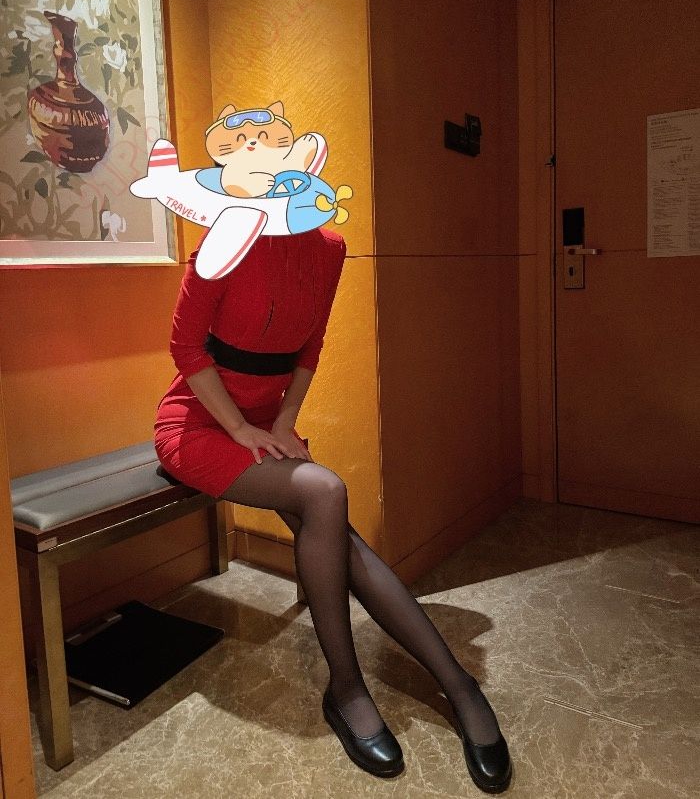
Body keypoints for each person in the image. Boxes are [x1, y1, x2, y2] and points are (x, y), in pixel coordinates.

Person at [154, 226, 512, 792]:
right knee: (324, 492)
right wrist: (240, 429)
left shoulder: (329, 247)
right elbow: (185, 348)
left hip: (264, 427)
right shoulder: (225, 237)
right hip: (199, 425)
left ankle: (457, 684)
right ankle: (350, 687)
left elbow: (310, 347)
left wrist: (282, 423)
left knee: (334, 531)